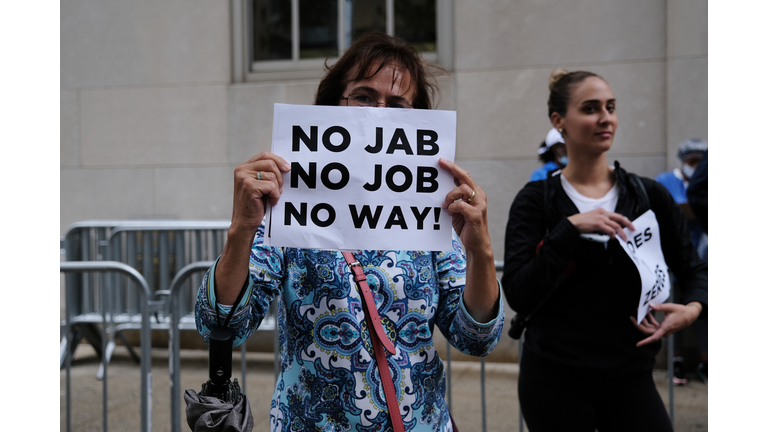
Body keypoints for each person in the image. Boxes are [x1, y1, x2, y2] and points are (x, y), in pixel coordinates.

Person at [194, 32, 504, 432]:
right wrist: (242, 229)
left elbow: (476, 337)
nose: (378, 113)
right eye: (362, 96)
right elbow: (219, 324)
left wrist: (480, 251)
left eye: (396, 104)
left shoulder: (432, 217)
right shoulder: (290, 207)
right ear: (330, 106)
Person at [501, 69, 707, 431]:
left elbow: (692, 270)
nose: (605, 117)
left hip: (631, 377)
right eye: (591, 108)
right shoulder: (537, 201)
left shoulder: (647, 196)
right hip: (553, 381)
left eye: (610, 107)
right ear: (559, 121)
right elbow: (519, 291)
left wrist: (692, 309)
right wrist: (568, 230)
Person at [656, 140, 709, 385]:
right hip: (672, 259)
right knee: (673, 310)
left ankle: (705, 363)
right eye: (691, 162)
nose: (696, 166)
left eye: (700, 161)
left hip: (702, 257)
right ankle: (675, 362)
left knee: (702, 312)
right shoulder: (666, 180)